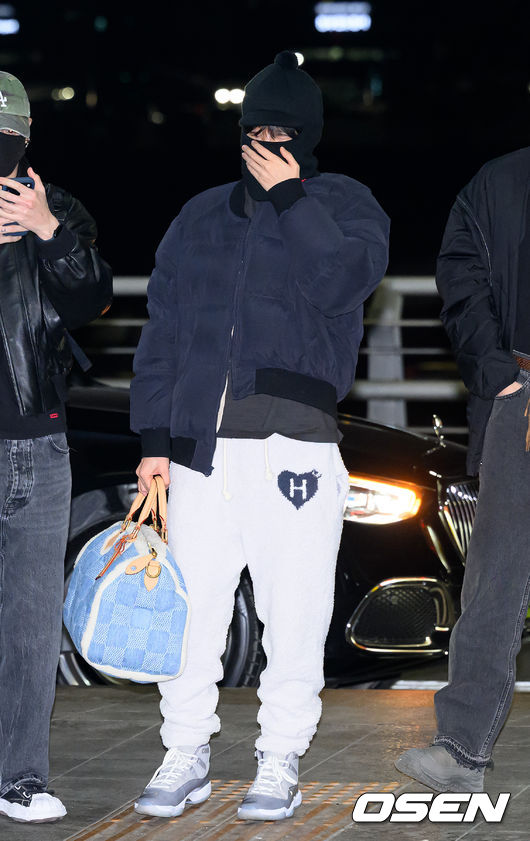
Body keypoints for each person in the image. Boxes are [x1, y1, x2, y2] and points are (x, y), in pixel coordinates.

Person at [131, 51, 389, 821]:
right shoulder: (199, 216)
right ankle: (185, 749)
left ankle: (280, 756)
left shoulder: (345, 204)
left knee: (295, 611)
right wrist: (153, 441)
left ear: (309, 137)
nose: (268, 146)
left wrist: (291, 199)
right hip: (199, 451)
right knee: (193, 612)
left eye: (284, 135)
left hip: (296, 446)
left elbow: (343, 283)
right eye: (256, 133)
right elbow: (162, 331)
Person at [395, 146, 530, 792]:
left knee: (495, 577)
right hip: (523, 392)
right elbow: (461, 272)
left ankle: (461, 749)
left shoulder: (497, 179)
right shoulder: (499, 181)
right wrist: (499, 374)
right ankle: (462, 750)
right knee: (494, 578)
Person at [0, 71, 112, 823]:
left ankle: (21, 777)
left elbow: (92, 297)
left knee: (33, 624)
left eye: (8, 139)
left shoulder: (59, 208)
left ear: (27, 138)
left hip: (38, 445)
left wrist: (48, 231)